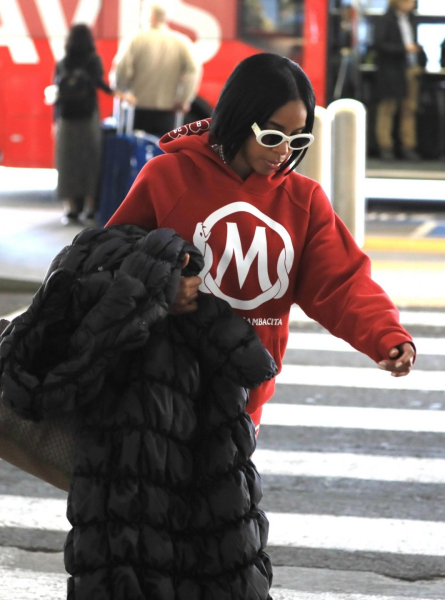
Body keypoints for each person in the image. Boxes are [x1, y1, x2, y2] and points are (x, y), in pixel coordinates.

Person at [107, 52, 415, 432]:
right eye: (271, 136)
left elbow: (341, 283)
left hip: (243, 401)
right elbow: (105, 263)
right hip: (157, 391)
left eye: (298, 138)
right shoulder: (167, 176)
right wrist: (160, 291)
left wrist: (385, 334)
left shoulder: (304, 201)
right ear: (239, 118)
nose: (284, 151)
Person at [111, 3, 200, 137]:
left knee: (135, 150)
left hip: (137, 108)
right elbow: (193, 71)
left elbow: (121, 69)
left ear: (150, 17)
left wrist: (122, 91)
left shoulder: (134, 39)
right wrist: (184, 100)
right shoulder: (181, 42)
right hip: (168, 110)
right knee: (163, 151)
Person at [54, 23, 112, 225]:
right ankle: (89, 208)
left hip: (67, 119)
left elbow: (57, 93)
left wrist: (56, 121)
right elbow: (100, 83)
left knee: (67, 162)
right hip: (88, 118)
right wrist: (116, 92)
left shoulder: (63, 62)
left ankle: (70, 209)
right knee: (90, 161)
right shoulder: (93, 60)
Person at [374, 0, 425, 160]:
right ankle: (385, 146)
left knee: (409, 108)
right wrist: (404, 49)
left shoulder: (411, 19)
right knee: (387, 108)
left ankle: (408, 146)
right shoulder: (384, 20)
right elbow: (380, 44)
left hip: (410, 70)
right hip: (391, 71)